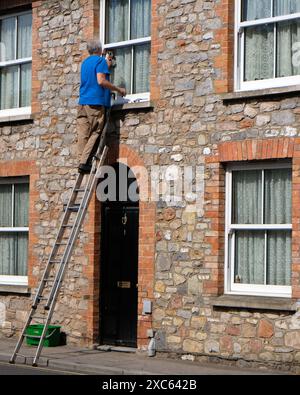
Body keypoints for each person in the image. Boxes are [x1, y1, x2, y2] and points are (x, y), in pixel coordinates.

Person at [77, 40, 126, 174]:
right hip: (95, 102)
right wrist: (118, 89)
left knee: (84, 133)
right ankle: (84, 162)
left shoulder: (85, 63)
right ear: (99, 50)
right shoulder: (100, 62)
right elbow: (100, 80)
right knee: (96, 131)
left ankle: (81, 160)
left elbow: (93, 77)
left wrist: (106, 66)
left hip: (83, 102)